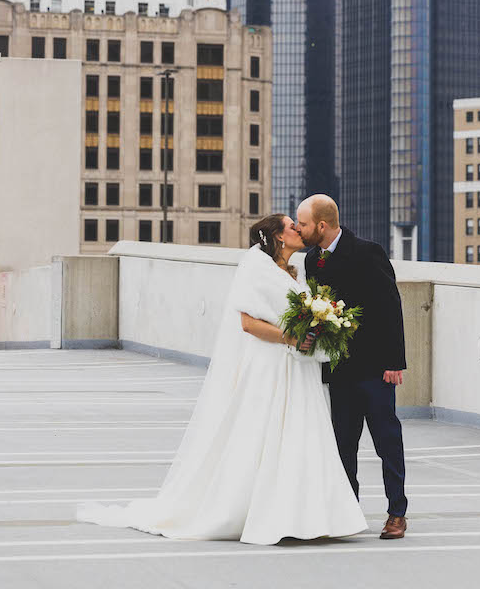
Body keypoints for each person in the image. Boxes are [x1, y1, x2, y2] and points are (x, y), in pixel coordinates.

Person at [75, 214, 367, 545]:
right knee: (265, 434)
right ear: (278, 237)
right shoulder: (255, 266)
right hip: (270, 364)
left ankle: (305, 516)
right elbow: (247, 322)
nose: (299, 230)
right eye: (291, 226)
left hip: (298, 368)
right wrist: (290, 339)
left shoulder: (295, 270)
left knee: (301, 433)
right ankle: (264, 514)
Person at [296, 194, 409, 540]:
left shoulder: (367, 252)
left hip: (375, 367)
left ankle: (397, 513)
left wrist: (394, 362)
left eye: (302, 224)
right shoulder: (312, 260)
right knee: (343, 443)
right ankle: (348, 511)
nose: (299, 230)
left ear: (322, 225)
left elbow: (391, 306)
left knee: (386, 440)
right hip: (339, 368)